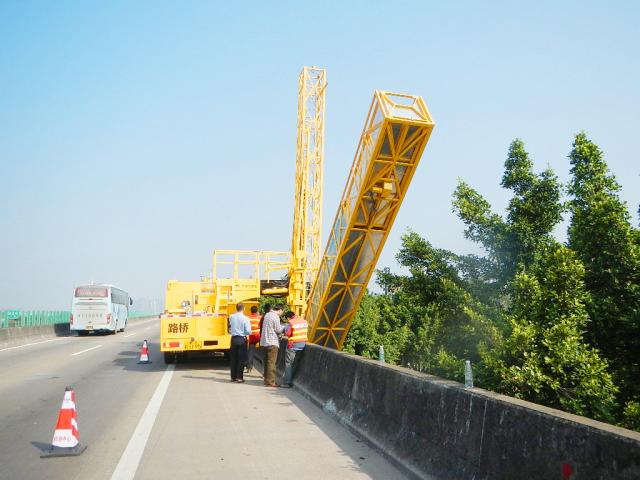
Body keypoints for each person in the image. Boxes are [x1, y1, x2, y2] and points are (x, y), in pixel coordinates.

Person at [281, 311, 308, 387]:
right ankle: (290, 378)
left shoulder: (291, 322)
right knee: (295, 363)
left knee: (288, 363)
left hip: (293, 344)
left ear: (288, 317)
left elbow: (287, 333)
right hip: (302, 345)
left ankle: (287, 382)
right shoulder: (304, 321)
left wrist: (286, 327)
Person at [260, 303, 284, 387]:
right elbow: (278, 330)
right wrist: (285, 327)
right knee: (271, 362)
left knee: (267, 362)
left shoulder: (267, 315)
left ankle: (266, 380)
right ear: (280, 310)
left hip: (264, 341)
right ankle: (271, 382)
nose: (282, 313)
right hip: (272, 341)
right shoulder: (275, 316)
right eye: (282, 311)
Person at [228, 303, 251, 383]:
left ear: (236, 308)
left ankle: (233, 377)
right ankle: (239, 378)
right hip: (242, 339)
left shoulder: (231, 317)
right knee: (241, 359)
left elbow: (230, 327)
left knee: (233, 358)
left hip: (234, 339)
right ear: (243, 308)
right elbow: (248, 331)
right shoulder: (246, 318)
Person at [245, 305, 261, 373]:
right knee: (264, 351)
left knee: (250, 352)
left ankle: (249, 367)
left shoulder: (247, 318)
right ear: (257, 311)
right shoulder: (260, 317)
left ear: (250, 311)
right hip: (259, 336)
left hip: (251, 336)